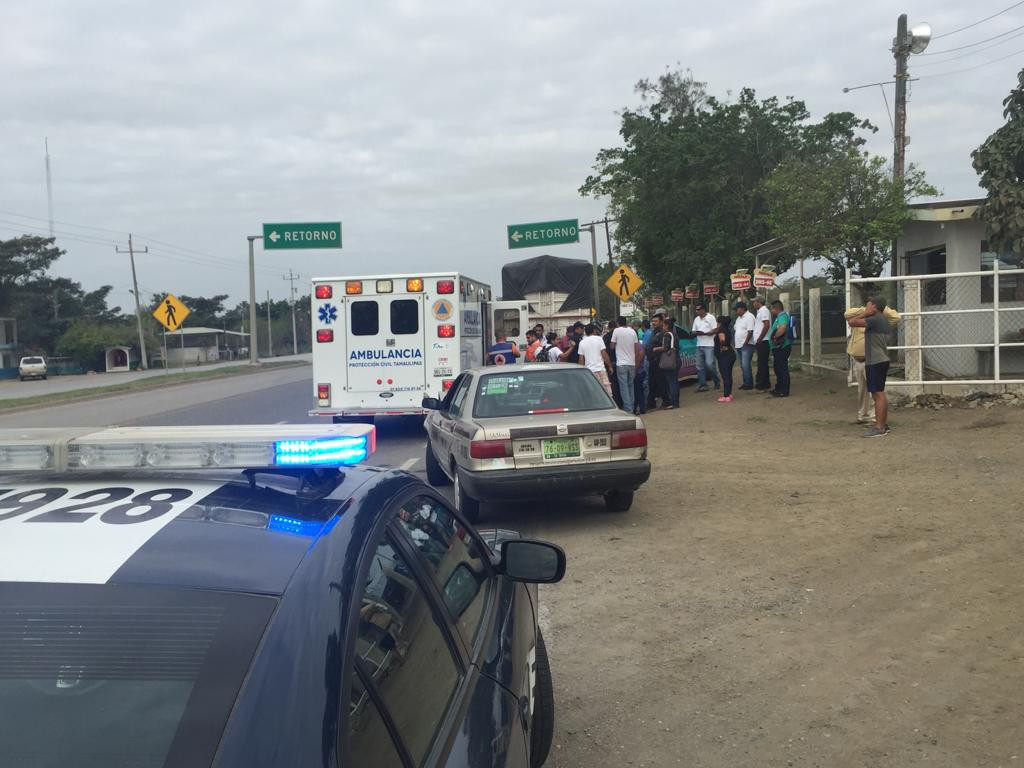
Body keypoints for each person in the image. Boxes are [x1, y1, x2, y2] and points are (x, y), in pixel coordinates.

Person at [844, 301, 901, 425]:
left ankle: (876, 419)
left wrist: (879, 309)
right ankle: (863, 416)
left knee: (875, 392)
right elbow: (847, 314)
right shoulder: (864, 316)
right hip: (858, 359)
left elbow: (896, 317)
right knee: (862, 390)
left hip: (871, 360)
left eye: (870, 305)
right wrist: (865, 311)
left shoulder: (877, 320)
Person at [610, 316, 638, 413]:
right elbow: (636, 348)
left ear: (617, 323)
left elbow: (612, 346)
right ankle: (632, 407)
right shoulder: (633, 331)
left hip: (621, 364)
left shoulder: (616, 331)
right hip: (632, 363)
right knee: (631, 386)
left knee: (624, 387)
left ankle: (628, 409)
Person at [578, 323, 614, 397]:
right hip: (600, 370)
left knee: (593, 395)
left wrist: (581, 372)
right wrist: (610, 366)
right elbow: (604, 354)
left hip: (589, 372)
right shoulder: (599, 339)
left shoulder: (582, 342)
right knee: (606, 395)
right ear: (594, 331)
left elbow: (581, 359)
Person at [691, 303, 721, 392]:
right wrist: (697, 333)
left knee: (709, 364)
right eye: (696, 309)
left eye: (698, 309)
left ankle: (716, 381)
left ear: (703, 310)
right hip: (699, 344)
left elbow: (715, 329)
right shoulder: (696, 319)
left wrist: (705, 333)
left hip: (709, 344)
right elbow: (693, 331)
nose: (697, 311)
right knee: (699, 366)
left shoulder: (710, 317)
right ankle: (703, 385)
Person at [652, 317, 679, 409]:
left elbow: (666, 347)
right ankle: (676, 402)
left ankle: (673, 402)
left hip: (669, 360)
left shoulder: (667, 335)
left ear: (667, 326)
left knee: (671, 382)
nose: (662, 327)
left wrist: (656, 349)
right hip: (676, 359)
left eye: (663, 325)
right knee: (674, 381)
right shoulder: (674, 334)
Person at [768, 300, 792, 397]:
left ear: (776, 308)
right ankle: (779, 387)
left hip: (782, 347)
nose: (771, 310)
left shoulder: (782, 316)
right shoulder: (779, 317)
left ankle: (784, 390)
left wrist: (775, 337)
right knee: (778, 368)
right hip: (778, 347)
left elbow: (783, 327)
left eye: (771, 308)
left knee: (782, 369)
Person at [733, 301, 756, 390]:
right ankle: (746, 382)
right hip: (739, 345)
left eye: (737, 309)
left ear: (742, 308)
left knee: (745, 365)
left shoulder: (749, 317)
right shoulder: (739, 318)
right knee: (743, 365)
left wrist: (746, 342)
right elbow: (736, 329)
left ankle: (749, 384)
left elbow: (750, 331)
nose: (736, 311)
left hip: (747, 345)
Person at [751, 296, 772, 392]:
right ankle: (765, 383)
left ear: (759, 302)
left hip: (763, 341)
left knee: (762, 363)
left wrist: (760, 338)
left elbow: (766, 325)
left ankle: (762, 384)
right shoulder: (760, 311)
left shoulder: (763, 311)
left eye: (754, 302)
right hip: (761, 341)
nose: (753, 304)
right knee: (762, 363)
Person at [714, 315, 736, 402]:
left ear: (719, 322)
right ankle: (729, 394)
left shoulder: (721, 329)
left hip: (724, 356)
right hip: (730, 355)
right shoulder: (727, 329)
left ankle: (726, 395)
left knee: (725, 375)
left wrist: (722, 346)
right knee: (729, 375)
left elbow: (722, 339)